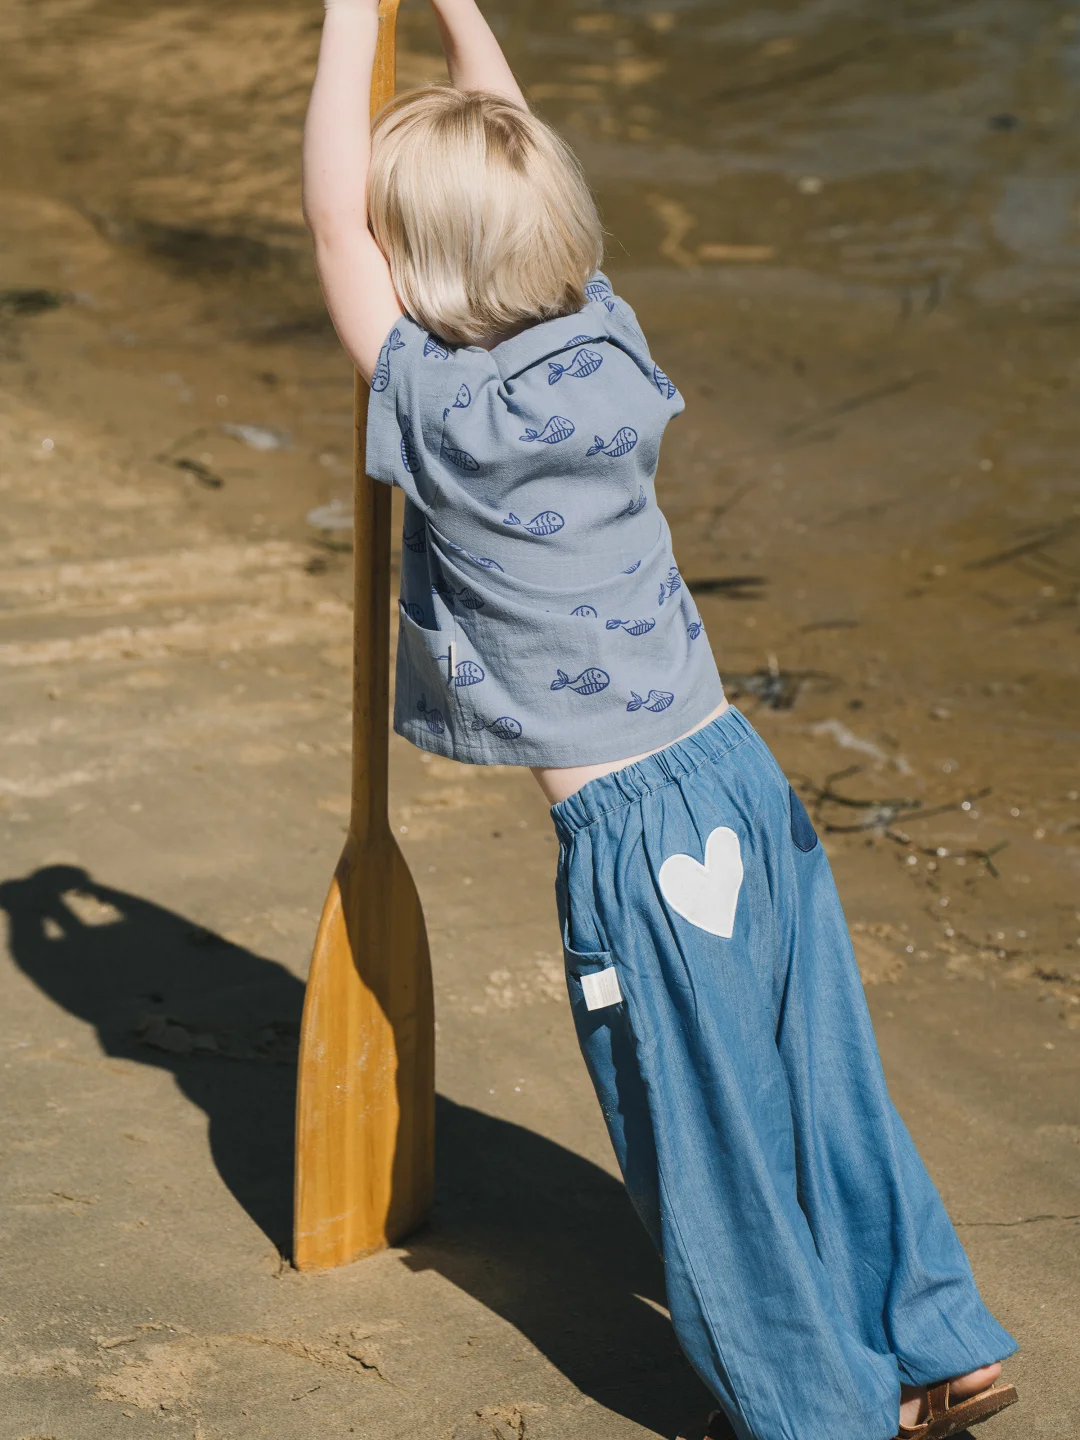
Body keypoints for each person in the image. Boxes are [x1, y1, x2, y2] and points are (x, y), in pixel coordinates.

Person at [302, 3, 1020, 1437]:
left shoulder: (446, 416)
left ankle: (811, 1410)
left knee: (704, 1144)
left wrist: (341, 15)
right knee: (823, 1086)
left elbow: (332, 220)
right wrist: (452, 10)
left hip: (634, 847)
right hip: (740, 777)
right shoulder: (607, 340)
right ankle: (930, 1333)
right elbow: (509, 149)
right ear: (558, 232)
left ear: (415, 274)